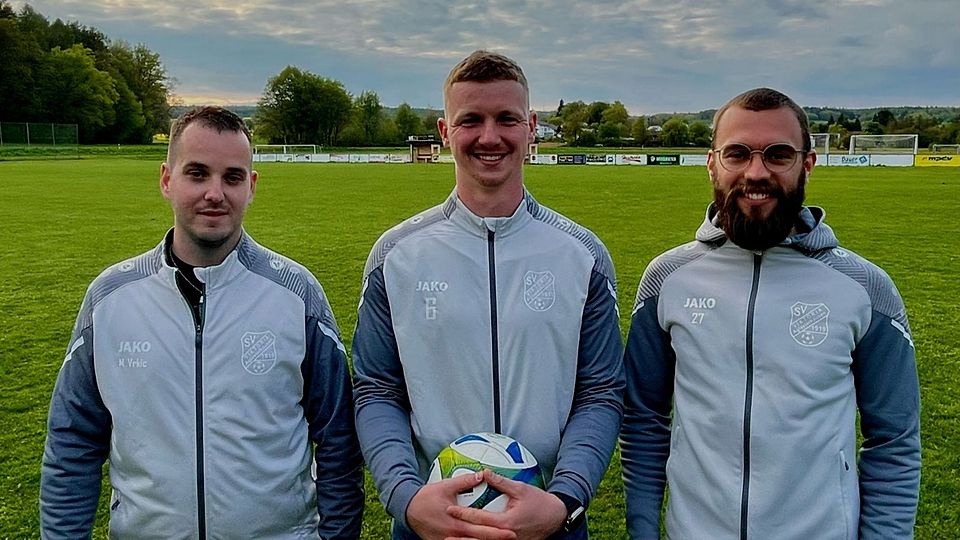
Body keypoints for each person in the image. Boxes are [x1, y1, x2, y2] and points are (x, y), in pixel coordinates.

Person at [40, 106, 364, 538]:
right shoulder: (110, 299)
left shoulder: (296, 293)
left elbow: (339, 437)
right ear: (166, 180)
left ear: (251, 186)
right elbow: (72, 441)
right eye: (197, 174)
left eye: (232, 177)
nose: (215, 193)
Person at [620, 87, 921, 539]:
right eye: (737, 154)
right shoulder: (667, 279)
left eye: (778, 155)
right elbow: (643, 419)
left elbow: (894, 439)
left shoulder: (864, 287)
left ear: (808, 164)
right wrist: (643, 531)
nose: (756, 172)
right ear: (712, 163)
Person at [352, 50, 624, 540]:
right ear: (444, 131)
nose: (490, 136)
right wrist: (406, 498)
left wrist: (563, 500)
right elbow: (377, 388)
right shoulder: (396, 255)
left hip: (549, 521)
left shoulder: (582, 254)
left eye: (507, 119)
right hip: (430, 522)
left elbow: (600, 390)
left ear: (531, 127)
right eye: (471, 120)